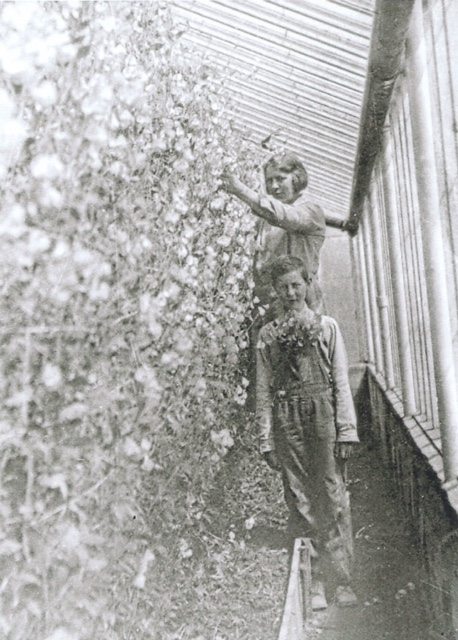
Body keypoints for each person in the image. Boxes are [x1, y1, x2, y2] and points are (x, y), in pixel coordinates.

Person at [255, 255, 359, 610]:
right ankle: (314, 583)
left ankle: (342, 581)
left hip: (323, 417)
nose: (290, 292)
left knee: (332, 493)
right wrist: (266, 438)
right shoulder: (268, 335)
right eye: (283, 287)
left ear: (307, 284)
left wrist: (346, 431)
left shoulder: (326, 327)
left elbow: (341, 382)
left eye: (296, 284)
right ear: (275, 291)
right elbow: (263, 390)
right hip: (288, 421)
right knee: (301, 499)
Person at [221, 152, 326, 314]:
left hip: (302, 302)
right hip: (275, 303)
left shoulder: (311, 210)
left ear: (296, 178)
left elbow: (286, 217)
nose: (274, 186)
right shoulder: (265, 220)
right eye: (269, 180)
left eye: (280, 178)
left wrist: (240, 190)